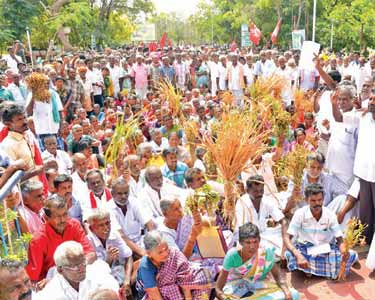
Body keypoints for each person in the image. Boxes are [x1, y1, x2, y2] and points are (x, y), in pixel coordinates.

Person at [284, 183, 358, 279]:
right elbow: (287, 238)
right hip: (305, 249)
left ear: (323, 199)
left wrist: (343, 251)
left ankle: (310, 270)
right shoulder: (300, 214)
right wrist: (298, 255)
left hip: (325, 250)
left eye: (320, 200)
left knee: (348, 255)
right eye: (313, 201)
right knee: (291, 256)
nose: (317, 204)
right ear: (306, 200)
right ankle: (314, 269)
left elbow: (339, 239)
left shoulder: (330, 215)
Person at [26, 194, 96, 286]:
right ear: (46, 218)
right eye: (57, 216)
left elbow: (91, 254)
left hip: (80, 274)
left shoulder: (74, 225)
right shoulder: (38, 239)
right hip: (53, 283)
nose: (63, 220)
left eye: (65, 214)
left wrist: (78, 267)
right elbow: (33, 277)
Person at [215, 223, 297, 300]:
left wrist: (286, 292)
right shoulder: (232, 255)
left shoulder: (266, 252)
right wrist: (224, 298)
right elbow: (218, 288)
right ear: (240, 242)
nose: (252, 246)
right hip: (235, 286)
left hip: (258, 284)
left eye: (255, 242)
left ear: (260, 240)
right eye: (248, 242)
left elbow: (278, 276)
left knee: (294, 294)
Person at [136, 230, 212, 300]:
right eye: (160, 252)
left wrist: (188, 297)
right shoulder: (145, 267)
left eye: (166, 248)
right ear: (149, 254)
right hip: (153, 293)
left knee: (202, 278)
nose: (165, 253)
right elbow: (154, 294)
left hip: (179, 284)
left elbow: (184, 278)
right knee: (169, 289)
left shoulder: (173, 254)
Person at [35, 241, 119, 300]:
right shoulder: (51, 292)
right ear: (60, 270)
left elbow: (113, 288)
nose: (82, 269)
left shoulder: (95, 271)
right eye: (75, 266)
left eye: (83, 262)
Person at [235, 175, 289, 257]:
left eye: (261, 190)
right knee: (265, 253)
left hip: (265, 235)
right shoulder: (241, 203)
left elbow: (283, 221)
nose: (260, 194)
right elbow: (243, 231)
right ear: (247, 190)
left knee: (290, 245)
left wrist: (286, 241)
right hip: (247, 239)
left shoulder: (266, 200)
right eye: (256, 191)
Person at [86, 208, 133, 290]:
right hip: (102, 282)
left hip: (120, 274)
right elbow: (95, 275)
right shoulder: (88, 242)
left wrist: (127, 281)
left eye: (108, 223)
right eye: (101, 225)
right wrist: (109, 260)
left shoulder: (114, 234)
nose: (106, 228)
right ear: (91, 228)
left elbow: (128, 256)